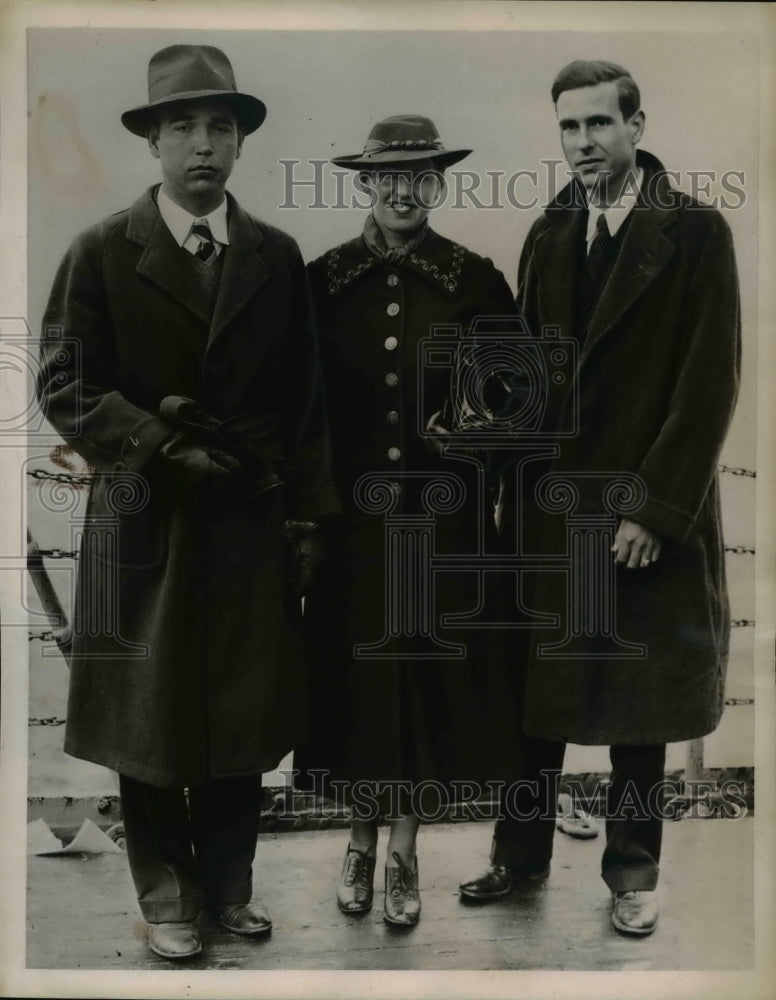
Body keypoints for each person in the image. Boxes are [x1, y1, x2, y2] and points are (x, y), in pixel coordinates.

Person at [36, 44, 338, 961]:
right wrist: (161, 443)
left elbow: (307, 397)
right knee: (151, 711)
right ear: (154, 143)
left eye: (220, 127)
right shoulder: (99, 251)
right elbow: (63, 382)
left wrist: (309, 518)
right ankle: (165, 895)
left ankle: (230, 887)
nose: (202, 144)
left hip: (251, 513)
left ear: (240, 143)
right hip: (145, 518)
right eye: (183, 128)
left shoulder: (277, 257)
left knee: (244, 708)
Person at [459, 60, 741, 936]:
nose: (582, 144)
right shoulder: (549, 233)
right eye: (567, 129)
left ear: (636, 125)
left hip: (645, 513)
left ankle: (633, 875)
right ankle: (518, 855)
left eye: (597, 125)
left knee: (641, 704)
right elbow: (533, 378)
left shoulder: (695, 233)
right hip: (553, 509)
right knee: (535, 694)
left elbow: (709, 383)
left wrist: (656, 511)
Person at [298, 115, 523, 927]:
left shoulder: (476, 281)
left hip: (443, 525)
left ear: (438, 183)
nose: (402, 190)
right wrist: (309, 521)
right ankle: (357, 842)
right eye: (387, 176)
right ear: (365, 182)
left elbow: (518, 402)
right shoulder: (323, 280)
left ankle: (403, 851)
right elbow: (303, 407)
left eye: (420, 176)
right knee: (358, 687)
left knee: (424, 686)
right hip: (352, 528)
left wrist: (474, 436)